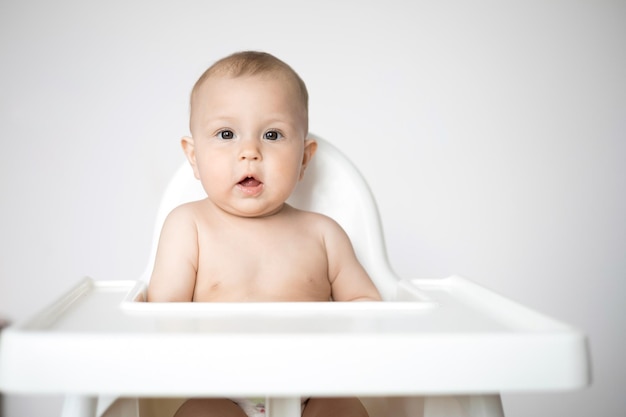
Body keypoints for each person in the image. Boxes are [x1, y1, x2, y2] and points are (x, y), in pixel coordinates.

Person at [147, 51, 381, 417]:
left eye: (272, 134)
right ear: (193, 157)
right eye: (226, 134)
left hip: (313, 387)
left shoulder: (323, 234)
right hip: (218, 389)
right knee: (196, 413)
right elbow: (162, 320)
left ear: (304, 158)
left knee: (345, 408)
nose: (249, 152)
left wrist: (343, 343)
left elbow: (369, 311)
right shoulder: (188, 227)